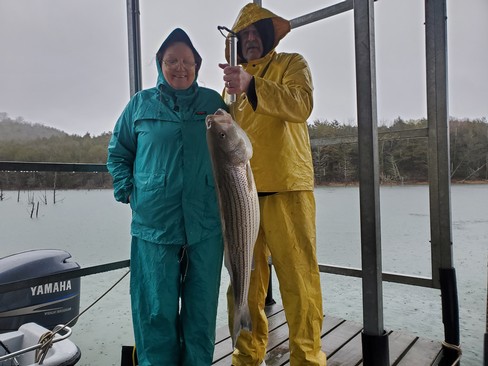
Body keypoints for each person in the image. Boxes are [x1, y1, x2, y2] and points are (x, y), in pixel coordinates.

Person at [107, 28, 227, 366]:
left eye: (188, 61)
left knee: (201, 313)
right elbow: (118, 153)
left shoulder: (213, 104)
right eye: (171, 60)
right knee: (154, 312)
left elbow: (235, 151)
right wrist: (128, 190)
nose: (180, 67)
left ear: (198, 66)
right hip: (153, 226)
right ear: (160, 64)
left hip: (205, 225)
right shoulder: (140, 104)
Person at [219, 4, 327, 366]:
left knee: (299, 284)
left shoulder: (291, 64)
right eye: (244, 35)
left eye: (256, 33)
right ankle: (246, 357)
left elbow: (302, 105)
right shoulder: (229, 88)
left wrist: (253, 85)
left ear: (267, 36)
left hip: (287, 189)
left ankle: (307, 359)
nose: (250, 40)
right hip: (241, 198)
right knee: (245, 287)